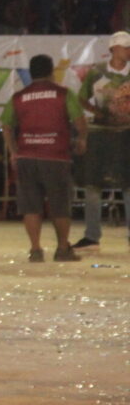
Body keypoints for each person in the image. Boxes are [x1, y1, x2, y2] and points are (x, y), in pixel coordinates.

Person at [2, 54, 88, 262]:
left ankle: (35, 249)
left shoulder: (18, 97)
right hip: (56, 156)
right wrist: (82, 139)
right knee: (60, 205)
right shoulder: (63, 94)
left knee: (30, 205)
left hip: (26, 156)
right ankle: (62, 249)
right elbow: (79, 121)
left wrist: (13, 150)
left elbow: (6, 125)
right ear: (51, 72)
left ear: (31, 74)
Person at [72, 30, 130, 252]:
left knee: (128, 184)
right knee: (93, 184)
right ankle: (92, 236)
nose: (128, 51)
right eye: (125, 47)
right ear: (114, 49)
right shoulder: (96, 73)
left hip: (126, 133)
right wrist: (97, 112)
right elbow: (81, 98)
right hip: (101, 133)